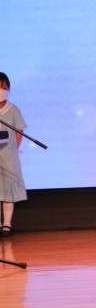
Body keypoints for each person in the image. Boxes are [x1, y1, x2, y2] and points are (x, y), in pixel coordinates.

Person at [0, 72, 27, 238]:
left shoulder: (13, 110)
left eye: (4, 88)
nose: (2, 91)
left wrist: (15, 147)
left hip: (8, 154)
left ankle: (7, 224)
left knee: (8, 187)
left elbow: (19, 130)